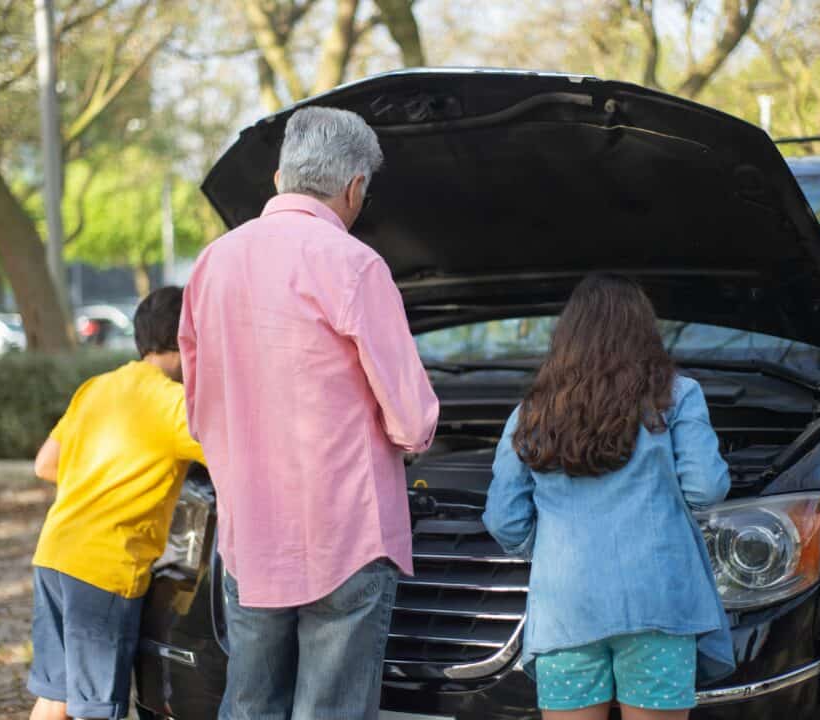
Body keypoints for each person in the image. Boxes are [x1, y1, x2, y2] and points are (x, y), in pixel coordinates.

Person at [180, 105, 440, 720]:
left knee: (250, 706)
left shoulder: (212, 263)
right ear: (355, 188)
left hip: (249, 533)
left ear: (279, 179)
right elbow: (412, 421)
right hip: (345, 536)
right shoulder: (354, 264)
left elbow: (196, 406)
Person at [483, 274, 734, 720]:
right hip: (658, 602)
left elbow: (504, 517)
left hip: (566, 611)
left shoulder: (531, 412)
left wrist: (549, 551)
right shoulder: (678, 396)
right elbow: (706, 488)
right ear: (644, 331)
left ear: (567, 336)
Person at [28, 287, 205, 720]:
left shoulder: (97, 387)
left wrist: (101, 478)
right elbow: (238, 461)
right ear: (189, 338)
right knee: (95, 708)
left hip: (54, 555)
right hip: (104, 569)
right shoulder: (175, 405)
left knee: (55, 696)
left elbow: (45, 464)